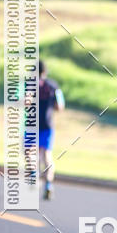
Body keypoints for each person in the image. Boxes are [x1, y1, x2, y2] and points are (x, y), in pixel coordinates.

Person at [38, 60, 65, 200]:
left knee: (33, 155)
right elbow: (60, 106)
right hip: (48, 125)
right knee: (47, 156)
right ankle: (48, 184)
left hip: (33, 125)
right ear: (45, 71)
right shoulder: (53, 86)